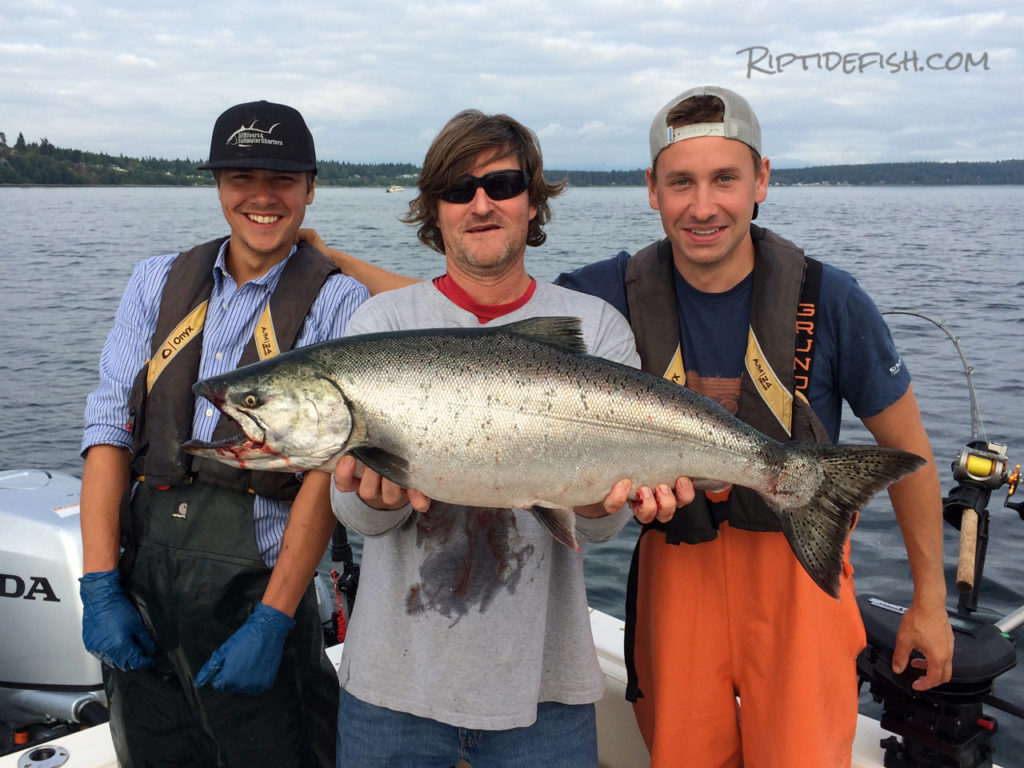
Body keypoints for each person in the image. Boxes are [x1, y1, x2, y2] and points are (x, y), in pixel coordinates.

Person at [553, 85, 954, 768]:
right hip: (675, 571)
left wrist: (930, 600)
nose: (702, 206)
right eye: (681, 182)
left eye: (724, 180)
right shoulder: (601, 295)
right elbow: (486, 328)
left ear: (761, 179)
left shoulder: (831, 299)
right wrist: (342, 272)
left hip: (801, 574)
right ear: (652, 189)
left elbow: (907, 450)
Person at [329, 108, 688, 768]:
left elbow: (601, 530)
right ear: (434, 211)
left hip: (545, 690)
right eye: (459, 189)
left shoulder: (593, 327)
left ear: (533, 201)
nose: (482, 203)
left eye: (503, 183)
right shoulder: (377, 325)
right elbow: (351, 511)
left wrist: (595, 497)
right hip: (393, 690)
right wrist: (376, 500)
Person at [78, 100, 369, 768]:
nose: (261, 197)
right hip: (142, 592)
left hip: (262, 587)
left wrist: (273, 618)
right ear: (216, 185)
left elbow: (326, 471)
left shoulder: (338, 299)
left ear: (311, 187)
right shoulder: (156, 281)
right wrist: (100, 586)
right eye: (241, 177)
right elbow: (108, 434)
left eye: (283, 179)